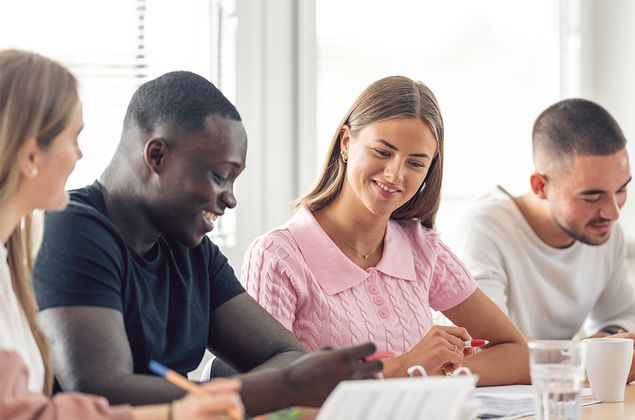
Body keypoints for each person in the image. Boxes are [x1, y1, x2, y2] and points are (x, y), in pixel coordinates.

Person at [32, 70, 382, 416]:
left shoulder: (192, 249)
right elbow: (100, 389)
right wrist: (279, 388)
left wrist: (251, 390)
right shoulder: (71, 228)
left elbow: (286, 353)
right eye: (219, 176)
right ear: (156, 156)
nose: (229, 199)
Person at [0, 49, 243, 419]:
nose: (80, 155)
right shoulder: (69, 228)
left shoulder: (7, 263)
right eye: (73, 138)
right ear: (32, 156)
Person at [240, 76, 529, 385]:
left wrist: (437, 374)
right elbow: (269, 392)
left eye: (416, 164)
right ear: (346, 142)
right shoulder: (277, 256)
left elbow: (518, 355)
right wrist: (406, 368)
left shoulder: (422, 247)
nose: (395, 175)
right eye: (382, 152)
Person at [456, 98, 635, 382]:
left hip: (556, 395)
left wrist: (606, 343)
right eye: (592, 196)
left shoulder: (603, 228)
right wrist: (589, 357)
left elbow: (622, 314)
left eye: (621, 189)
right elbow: (485, 345)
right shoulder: (485, 226)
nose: (613, 212)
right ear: (540, 186)